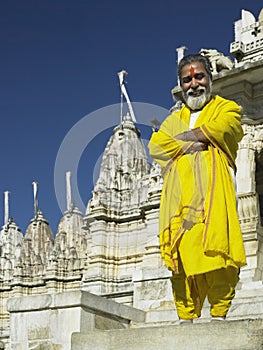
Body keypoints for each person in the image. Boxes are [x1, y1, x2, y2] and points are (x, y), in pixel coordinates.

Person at [148, 54, 247, 323]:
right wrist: (200, 140)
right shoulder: (174, 118)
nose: (194, 84)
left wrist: (183, 139)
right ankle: (186, 317)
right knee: (181, 256)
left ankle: (218, 313)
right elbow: (156, 145)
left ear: (210, 79)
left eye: (199, 76)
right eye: (187, 79)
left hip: (215, 196)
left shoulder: (226, 107)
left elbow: (226, 127)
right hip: (179, 199)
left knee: (219, 253)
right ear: (181, 86)